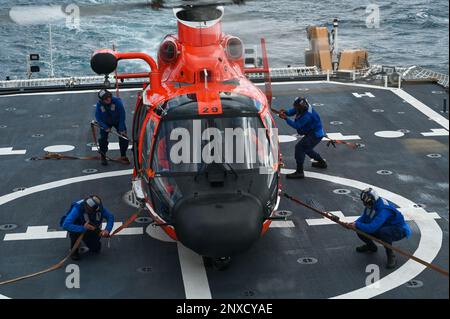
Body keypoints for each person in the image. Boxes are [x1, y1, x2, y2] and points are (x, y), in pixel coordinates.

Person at [346, 188, 412, 269]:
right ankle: (371, 247)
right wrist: (353, 223)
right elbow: (364, 217)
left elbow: (371, 228)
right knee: (359, 227)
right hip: (385, 225)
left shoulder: (383, 210)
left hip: (399, 229)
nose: (366, 205)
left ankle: (391, 255)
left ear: (372, 200)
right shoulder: (372, 203)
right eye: (364, 203)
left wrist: (357, 224)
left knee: (383, 232)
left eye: (367, 203)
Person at [278, 96, 327, 179]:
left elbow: (297, 125)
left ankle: (300, 172)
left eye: (297, 107)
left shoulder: (307, 115)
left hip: (315, 134)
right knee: (307, 149)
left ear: (302, 106)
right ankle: (322, 163)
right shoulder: (302, 107)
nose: (295, 108)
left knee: (300, 148)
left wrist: (286, 118)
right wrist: (286, 112)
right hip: (313, 132)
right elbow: (293, 111)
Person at [61, 195, 115, 260]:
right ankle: (74, 250)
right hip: (78, 226)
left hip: (91, 227)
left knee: (96, 249)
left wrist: (107, 230)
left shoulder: (100, 209)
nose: (86, 208)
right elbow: (66, 225)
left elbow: (110, 216)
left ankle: (89, 241)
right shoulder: (78, 208)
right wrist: (83, 228)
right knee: (74, 234)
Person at [95, 89, 129, 166]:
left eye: (109, 97)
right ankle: (103, 156)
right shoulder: (99, 105)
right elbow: (98, 118)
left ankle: (123, 155)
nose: (108, 99)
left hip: (117, 121)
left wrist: (121, 128)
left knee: (123, 137)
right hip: (105, 122)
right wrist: (105, 127)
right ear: (102, 100)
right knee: (103, 139)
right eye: (106, 98)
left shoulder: (117, 102)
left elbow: (122, 115)